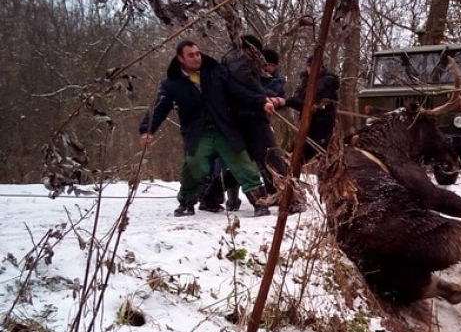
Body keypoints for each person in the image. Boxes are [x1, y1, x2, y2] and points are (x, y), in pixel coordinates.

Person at [138, 40, 275, 217]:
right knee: (195, 165)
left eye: (197, 53)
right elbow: (159, 108)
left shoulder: (215, 71)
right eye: (191, 55)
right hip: (198, 133)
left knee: (243, 163)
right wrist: (147, 130)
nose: (196, 58)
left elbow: (237, 90)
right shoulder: (172, 82)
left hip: (223, 129)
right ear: (181, 58)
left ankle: (260, 203)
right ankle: (186, 202)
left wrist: (261, 101)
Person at [200, 37, 290, 212]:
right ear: (251, 50)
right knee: (269, 156)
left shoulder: (235, 60)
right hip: (249, 117)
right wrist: (263, 100)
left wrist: (267, 99)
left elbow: (250, 87)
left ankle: (210, 197)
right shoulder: (238, 63)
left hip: (243, 116)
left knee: (244, 162)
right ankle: (286, 197)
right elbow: (245, 88)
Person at [286, 55, 340, 163]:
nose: (311, 69)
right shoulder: (304, 82)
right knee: (296, 157)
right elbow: (300, 101)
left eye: (315, 67)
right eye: (309, 66)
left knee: (321, 158)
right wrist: (290, 101)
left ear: (321, 67)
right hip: (306, 126)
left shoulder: (327, 83)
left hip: (321, 127)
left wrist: (291, 101)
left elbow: (311, 103)